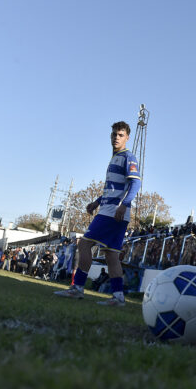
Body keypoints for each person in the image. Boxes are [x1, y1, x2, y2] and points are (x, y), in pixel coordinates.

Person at [54, 121, 141, 306]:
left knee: (84, 244)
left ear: (127, 137)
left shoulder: (128, 157)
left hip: (113, 212)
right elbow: (112, 189)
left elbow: (136, 183)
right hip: (111, 210)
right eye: (114, 134)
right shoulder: (114, 158)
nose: (116, 137)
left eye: (120, 135)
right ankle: (118, 297)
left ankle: (77, 288)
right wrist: (97, 201)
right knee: (111, 256)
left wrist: (124, 204)